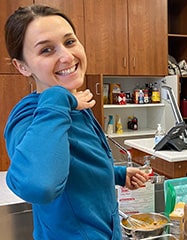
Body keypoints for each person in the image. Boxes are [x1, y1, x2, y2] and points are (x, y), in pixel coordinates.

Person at [4, 4, 149, 240]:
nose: (67, 56)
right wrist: (59, 97)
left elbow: (73, 165)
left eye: (70, 42)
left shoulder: (74, 105)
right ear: (22, 66)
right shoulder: (31, 113)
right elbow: (39, 185)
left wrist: (117, 174)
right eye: (47, 50)